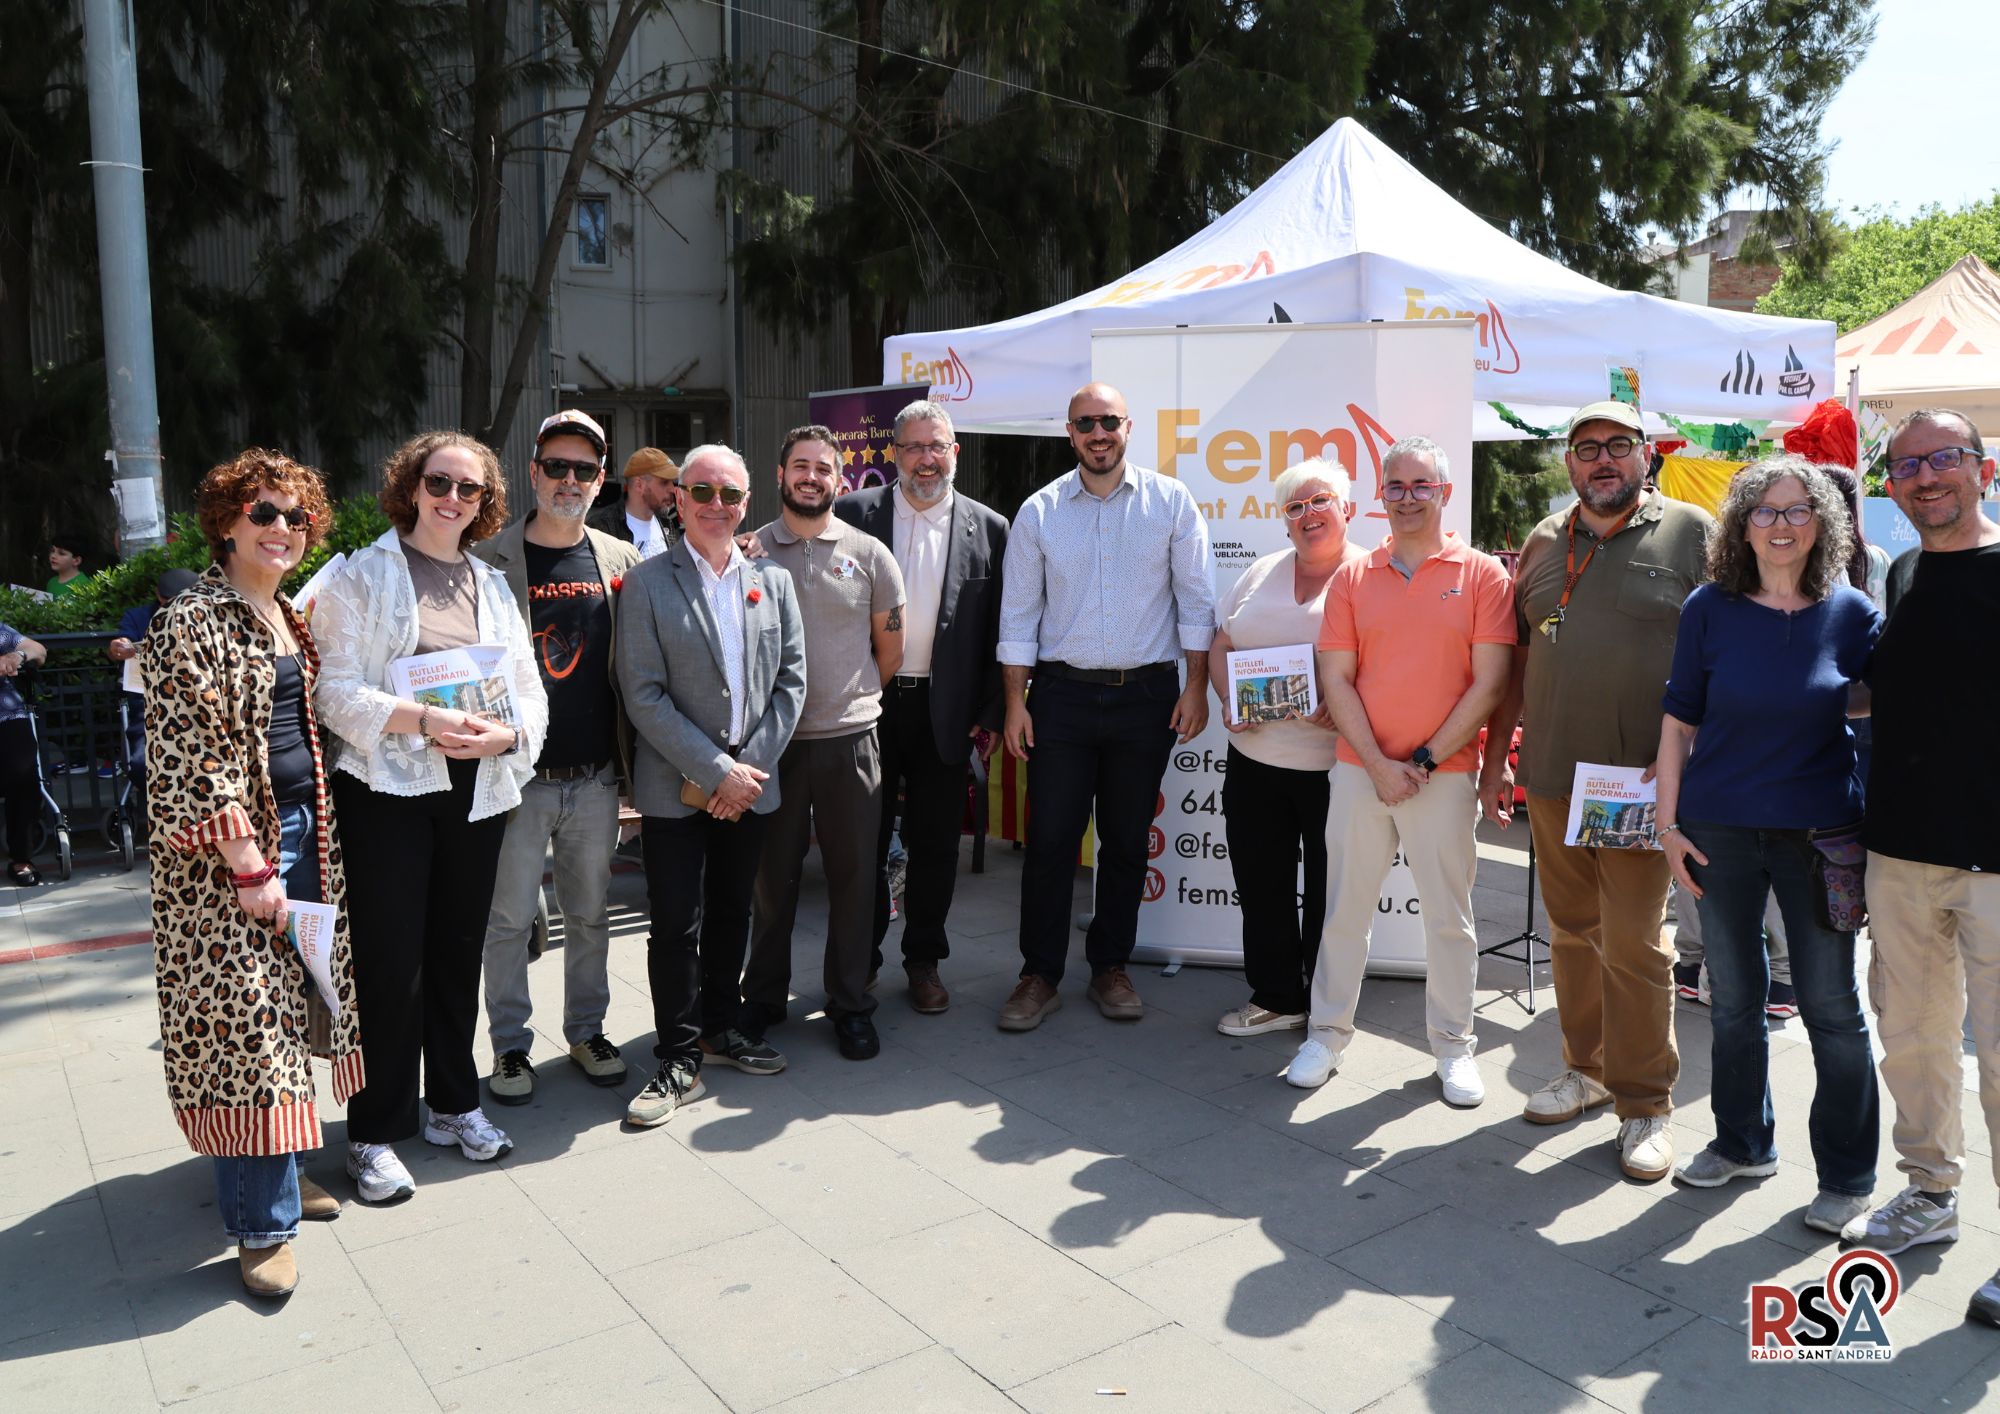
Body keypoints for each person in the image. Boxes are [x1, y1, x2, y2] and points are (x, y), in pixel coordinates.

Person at [139, 449, 361, 1296]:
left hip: (303, 833)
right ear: (225, 523)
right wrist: (247, 864)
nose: (282, 528)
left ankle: (283, 1169)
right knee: (248, 1030)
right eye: (262, 512)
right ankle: (261, 1225)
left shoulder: (284, 616)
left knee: (292, 1008)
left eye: (296, 516)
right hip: (228, 863)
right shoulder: (190, 619)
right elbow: (193, 755)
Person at [1479, 399, 1711, 1182]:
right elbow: (1520, 662)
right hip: (1553, 778)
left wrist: (1696, 760)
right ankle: (1586, 1069)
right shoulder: (1545, 540)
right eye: (1586, 448)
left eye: (1618, 445)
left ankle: (1646, 1104)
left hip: (1644, 784)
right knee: (1573, 932)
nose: (1602, 459)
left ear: (1646, 454)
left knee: (1637, 943)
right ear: (1569, 462)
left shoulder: (1691, 532)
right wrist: (1496, 762)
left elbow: (1724, 652)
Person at [313, 431, 547, 1204]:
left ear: (485, 502)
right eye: (438, 482)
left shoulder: (492, 583)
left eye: (468, 488)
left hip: (474, 790)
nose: (452, 498)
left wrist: (508, 736)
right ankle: (375, 1133)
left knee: (456, 953)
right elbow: (333, 691)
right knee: (390, 964)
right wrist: (424, 720)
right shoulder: (361, 574)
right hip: (387, 790)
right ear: (411, 485)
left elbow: (527, 689)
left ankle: (453, 1104)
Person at [1653, 455, 1880, 1233]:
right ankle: (1743, 1143)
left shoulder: (1852, 613)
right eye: (1766, 510)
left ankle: (1848, 1176)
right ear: (1742, 525)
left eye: (1798, 510)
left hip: (1820, 837)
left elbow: (1889, 701)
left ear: (1822, 523)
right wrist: (1668, 827)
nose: (1782, 524)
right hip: (1718, 830)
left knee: (1832, 1007)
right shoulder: (1708, 609)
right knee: (1734, 1000)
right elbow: (1677, 722)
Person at [1836, 408, 2000, 1328]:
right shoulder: (1901, 574)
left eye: (1944, 459)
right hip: (1901, 855)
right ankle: (1931, 1193)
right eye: (1905, 466)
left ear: (1982, 470)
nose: (1925, 477)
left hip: (1995, 865)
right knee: (1914, 1041)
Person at [1288, 438, 1513, 1105]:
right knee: (1343, 912)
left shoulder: (1482, 576)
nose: (1408, 498)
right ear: (1379, 496)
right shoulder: (1354, 578)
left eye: (1421, 486)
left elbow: (1490, 682)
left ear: (1444, 493)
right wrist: (1380, 766)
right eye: (1396, 486)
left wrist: (1419, 761)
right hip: (1361, 772)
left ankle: (1453, 1045)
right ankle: (1326, 1034)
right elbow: (1337, 678)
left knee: (1449, 920)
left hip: (1441, 774)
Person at [996, 382, 1215, 1030]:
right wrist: (1015, 703)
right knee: (1050, 841)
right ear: (1069, 433)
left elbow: (1196, 601)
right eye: (1085, 423)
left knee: (1125, 841)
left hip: (1145, 698)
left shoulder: (1170, 502)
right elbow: (1018, 614)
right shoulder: (1039, 512)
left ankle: (1110, 966)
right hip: (1059, 698)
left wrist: (1196, 686)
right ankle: (1039, 974)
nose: (1098, 434)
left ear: (1128, 427)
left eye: (1109, 421)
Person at [617, 444, 807, 1124]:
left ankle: (721, 1029)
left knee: (733, 911)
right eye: (702, 492)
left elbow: (792, 682)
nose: (716, 506)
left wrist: (745, 770)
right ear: (678, 498)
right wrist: (717, 770)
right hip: (676, 784)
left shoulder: (772, 581)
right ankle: (677, 1055)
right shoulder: (646, 583)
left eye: (729, 494)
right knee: (675, 923)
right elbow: (642, 694)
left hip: (750, 784)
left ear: (746, 502)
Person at [471, 412, 642, 1106]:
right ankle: (510, 1045)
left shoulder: (622, 559)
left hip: (595, 777)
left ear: (600, 481)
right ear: (534, 472)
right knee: (509, 920)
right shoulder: (486, 558)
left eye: (584, 470)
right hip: (516, 780)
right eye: (557, 467)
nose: (569, 480)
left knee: (591, 915)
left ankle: (587, 1031)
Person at [833, 399, 1008, 1014]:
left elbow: (1000, 629)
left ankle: (924, 960)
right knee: (864, 841)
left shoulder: (990, 528)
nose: (926, 459)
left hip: (946, 710)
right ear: (895, 454)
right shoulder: (853, 514)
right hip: (866, 706)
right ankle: (862, 959)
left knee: (936, 846)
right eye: (913, 447)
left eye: (936, 447)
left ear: (955, 452)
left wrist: (990, 713)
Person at [741, 425, 906, 1061]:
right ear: (781, 475)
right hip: (773, 746)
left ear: (840, 479)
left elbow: (889, 651)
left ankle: (851, 1002)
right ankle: (762, 998)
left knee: (855, 878)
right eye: (800, 466)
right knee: (770, 882)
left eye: (823, 468)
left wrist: (849, 700)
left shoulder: (870, 555)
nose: (811, 477)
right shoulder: (749, 552)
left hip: (850, 742)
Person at [1205, 458, 1360, 1037]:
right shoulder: (1260, 572)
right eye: (1295, 507)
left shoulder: (1369, 576)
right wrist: (1229, 697)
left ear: (1346, 509)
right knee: (1262, 884)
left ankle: (1327, 1008)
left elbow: (1392, 664)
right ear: (1284, 520)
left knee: (1331, 892)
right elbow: (1222, 643)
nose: (1308, 514)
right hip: (1255, 762)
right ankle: (1276, 997)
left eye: (1320, 501)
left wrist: (1343, 707)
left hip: (1336, 768)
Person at [107, 567, 199, 781]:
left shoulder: (210, 617)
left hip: (201, 705)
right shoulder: (139, 617)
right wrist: (118, 648)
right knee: (143, 765)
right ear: (158, 595)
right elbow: (119, 647)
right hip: (151, 706)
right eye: (168, 602)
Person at [1, 621, 50, 886]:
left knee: (24, 772)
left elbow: (38, 650)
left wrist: (16, 655)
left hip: (6, 713)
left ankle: (21, 857)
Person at [589, 444, 680, 559]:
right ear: (639, 485)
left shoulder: (667, 522)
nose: (672, 489)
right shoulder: (601, 527)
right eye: (664, 482)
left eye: (672, 482)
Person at [46, 533, 89, 598]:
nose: (53, 556)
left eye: (61, 553)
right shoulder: (51, 582)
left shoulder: (84, 584)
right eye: (53, 551)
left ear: (76, 561)